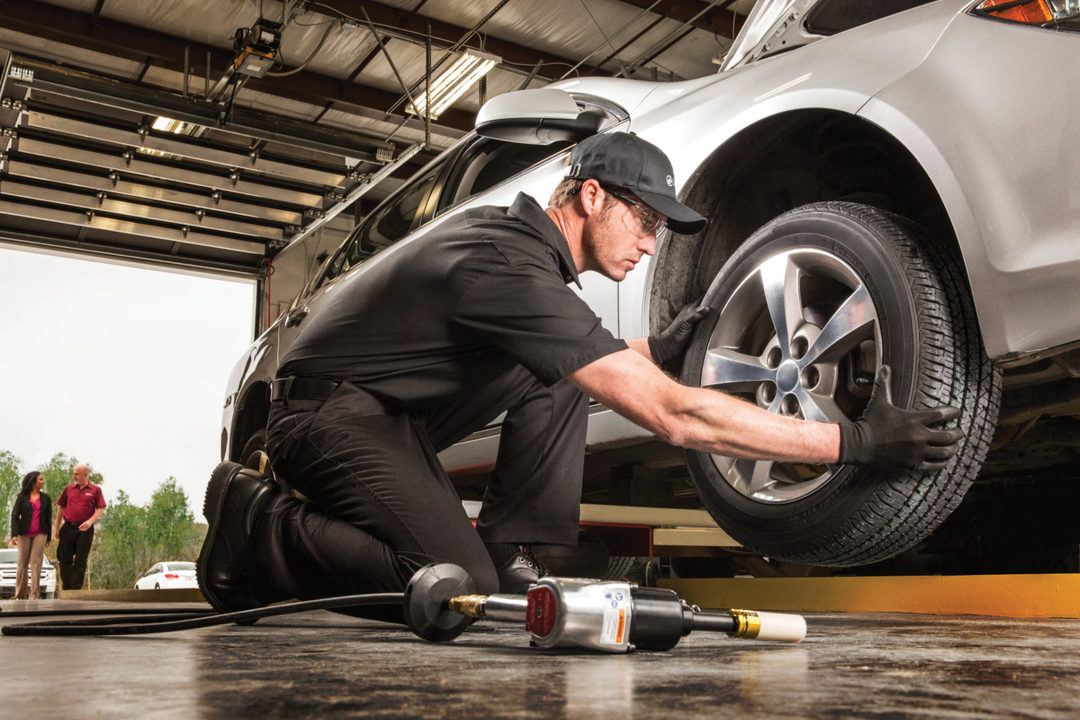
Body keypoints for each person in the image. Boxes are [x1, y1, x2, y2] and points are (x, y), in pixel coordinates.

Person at [198, 132, 963, 620]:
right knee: (447, 583)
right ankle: (255, 522)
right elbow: (676, 419)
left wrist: (657, 348)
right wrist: (850, 441)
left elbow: (584, 362)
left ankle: (516, 553)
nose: (649, 243)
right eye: (644, 220)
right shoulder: (505, 264)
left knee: (567, 372)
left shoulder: (525, 260)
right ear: (590, 195)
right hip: (321, 418)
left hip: (387, 415)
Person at [54, 463, 106, 590]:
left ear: (85, 474)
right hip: (68, 527)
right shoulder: (69, 489)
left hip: (85, 529)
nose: (74, 475)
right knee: (63, 557)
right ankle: (67, 586)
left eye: (77, 473)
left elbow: (100, 508)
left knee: (81, 559)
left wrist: (90, 521)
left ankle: (76, 587)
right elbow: (61, 508)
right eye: (74, 473)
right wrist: (56, 528)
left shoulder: (95, 490)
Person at [9, 471, 53, 600]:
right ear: (33, 481)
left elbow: (48, 518)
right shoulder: (22, 497)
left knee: (36, 563)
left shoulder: (46, 498)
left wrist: (48, 536)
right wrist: (14, 534)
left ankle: (34, 595)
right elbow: (15, 516)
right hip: (24, 533)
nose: (43, 481)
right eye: (41, 479)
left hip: (40, 533)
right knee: (22, 563)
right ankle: (20, 595)